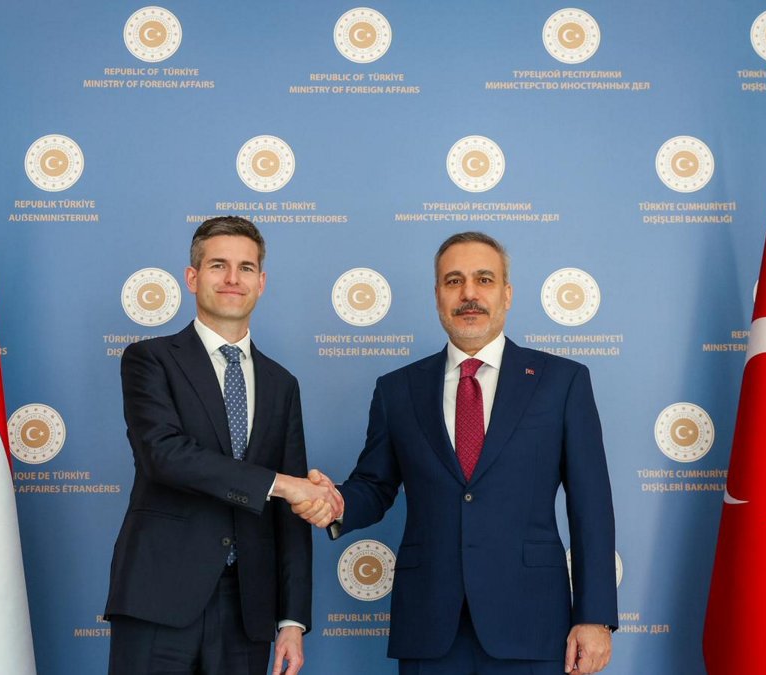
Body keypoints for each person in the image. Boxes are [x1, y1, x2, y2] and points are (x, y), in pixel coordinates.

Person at [297, 232, 618, 674]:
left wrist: (595, 616)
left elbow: (592, 508)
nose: (469, 293)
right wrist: (335, 503)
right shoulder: (397, 390)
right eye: (454, 281)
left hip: (532, 624)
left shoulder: (561, 382)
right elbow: (375, 485)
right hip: (431, 627)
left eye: (483, 279)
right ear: (437, 296)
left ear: (506, 294)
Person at [106, 216, 340, 675]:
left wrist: (292, 620)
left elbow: (289, 515)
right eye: (218, 265)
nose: (233, 279)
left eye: (246, 268)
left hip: (248, 609)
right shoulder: (149, 360)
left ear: (262, 282)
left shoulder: (281, 384)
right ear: (192, 278)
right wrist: (284, 485)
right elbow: (165, 456)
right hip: (159, 597)